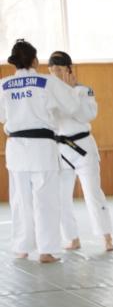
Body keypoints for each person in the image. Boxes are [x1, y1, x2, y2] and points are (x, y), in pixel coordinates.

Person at [0, 39, 80, 263]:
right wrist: (67, 89)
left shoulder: (4, 84)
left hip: (16, 147)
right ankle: (46, 250)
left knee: (20, 200)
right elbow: (72, 106)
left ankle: (22, 247)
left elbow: (2, 116)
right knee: (45, 199)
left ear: (14, 62)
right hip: (41, 148)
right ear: (35, 60)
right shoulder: (47, 82)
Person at [47, 51, 113, 252]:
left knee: (93, 193)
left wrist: (69, 93)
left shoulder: (84, 90)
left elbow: (87, 115)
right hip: (60, 149)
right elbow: (51, 120)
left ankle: (107, 237)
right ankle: (72, 237)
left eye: (58, 69)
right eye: (51, 70)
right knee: (61, 197)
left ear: (69, 68)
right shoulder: (48, 93)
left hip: (83, 147)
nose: (55, 74)